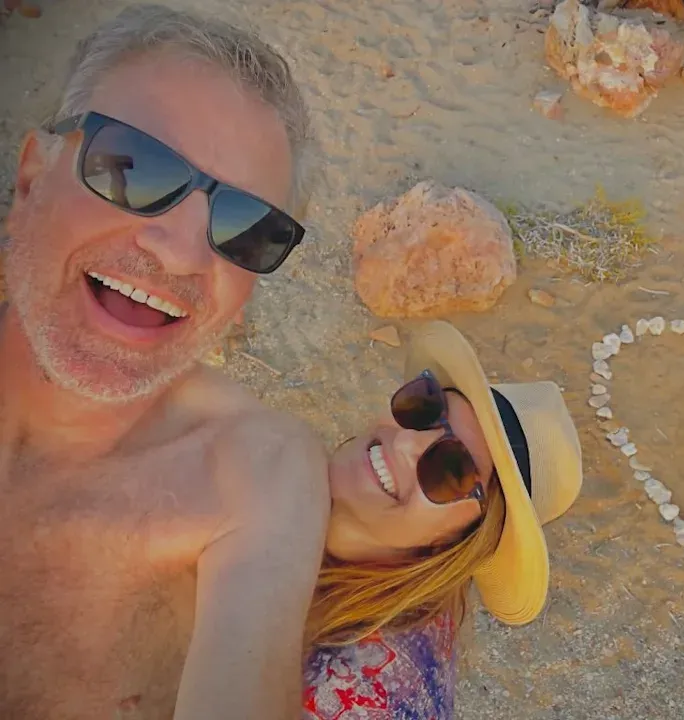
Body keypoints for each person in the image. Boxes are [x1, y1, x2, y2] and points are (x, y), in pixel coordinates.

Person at [0, 6, 329, 719]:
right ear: (31, 181)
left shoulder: (252, 474)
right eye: (132, 168)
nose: (182, 251)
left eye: (245, 227)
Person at [302, 320, 584, 719]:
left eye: (452, 469)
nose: (404, 441)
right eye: (425, 409)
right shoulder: (387, 573)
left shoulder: (348, 697)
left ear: (455, 544)